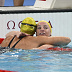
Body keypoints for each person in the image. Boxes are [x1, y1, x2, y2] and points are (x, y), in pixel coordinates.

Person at [1, 17, 71, 50]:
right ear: (35, 32)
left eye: (45, 28)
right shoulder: (36, 40)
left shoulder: (10, 37)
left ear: (50, 33)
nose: (42, 30)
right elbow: (67, 40)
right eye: (39, 28)